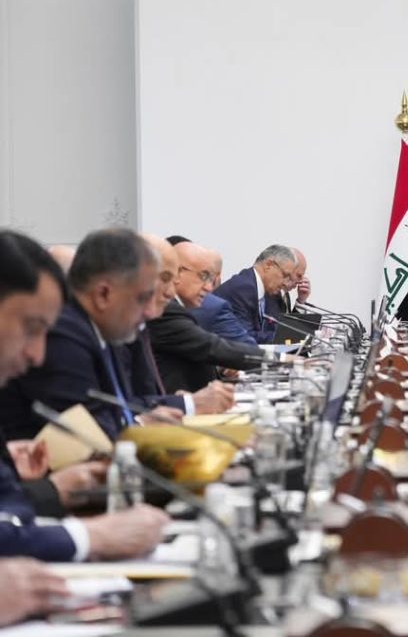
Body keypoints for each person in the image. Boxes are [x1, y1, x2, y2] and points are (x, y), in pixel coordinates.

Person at [0, 230, 168, 564]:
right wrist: (92, 536)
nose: (37, 355)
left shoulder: (101, 334)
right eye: (31, 328)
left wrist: (44, 487)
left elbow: (9, 506)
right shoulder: (69, 332)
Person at [0, 229, 161, 440]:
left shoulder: (105, 332)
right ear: (103, 294)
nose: (150, 311)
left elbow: (116, 414)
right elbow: (90, 440)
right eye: (142, 298)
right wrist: (140, 423)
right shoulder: (65, 335)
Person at [122, 236, 234, 415]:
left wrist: (181, 402)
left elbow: (140, 399)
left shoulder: (138, 322)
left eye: (172, 280)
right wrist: (187, 403)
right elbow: (110, 411)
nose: (170, 292)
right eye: (163, 278)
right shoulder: (88, 333)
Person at [149, 242, 263, 393]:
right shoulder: (166, 310)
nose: (209, 287)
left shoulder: (180, 307)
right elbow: (210, 347)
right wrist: (279, 360)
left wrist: (221, 368)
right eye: (203, 276)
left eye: (210, 279)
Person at [214, 245, 298, 343]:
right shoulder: (244, 287)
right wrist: (286, 338)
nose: (285, 283)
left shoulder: (266, 291)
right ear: (268, 266)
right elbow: (245, 337)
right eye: (285, 275)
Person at [191, 248, 257, 344]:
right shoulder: (215, 307)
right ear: (217, 277)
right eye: (203, 276)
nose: (207, 287)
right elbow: (245, 343)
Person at [266, 247, 311, 318]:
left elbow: (290, 323)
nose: (300, 281)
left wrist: (301, 301)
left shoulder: (285, 295)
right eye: (299, 276)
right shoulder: (267, 292)